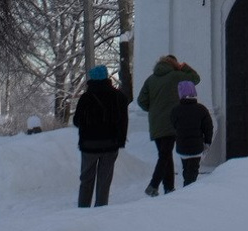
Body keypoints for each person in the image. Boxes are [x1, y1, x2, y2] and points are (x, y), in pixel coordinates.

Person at [136, 54, 201, 197]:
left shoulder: (151, 79)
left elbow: (141, 101)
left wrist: (154, 109)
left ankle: (169, 188)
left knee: (165, 154)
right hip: (171, 121)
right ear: (174, 64)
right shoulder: (176, 76)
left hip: (155, 123)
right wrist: (185, 67)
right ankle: (153, 185)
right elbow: (195, 79)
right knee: (165, 155)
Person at [73, 64, 129, 207]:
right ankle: (101, 210)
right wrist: (120, 141)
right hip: (110, 145)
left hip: (89, 145)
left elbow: (76, 121)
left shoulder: (86, 98)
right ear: (106, 77)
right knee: (104, 181)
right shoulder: (119, 97)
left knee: (86, 179)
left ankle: (83, 209)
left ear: (92, 79)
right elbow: (123, 121)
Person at [170, 80, 213, 187]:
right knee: (193, 170)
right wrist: (207, 142)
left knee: (186, 169)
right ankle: (189, 189)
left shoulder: (175, 110)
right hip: (197, 146)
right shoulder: (202, 109)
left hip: (182, 146)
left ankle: (187, 186)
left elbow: (173, 126)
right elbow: (208, 128)